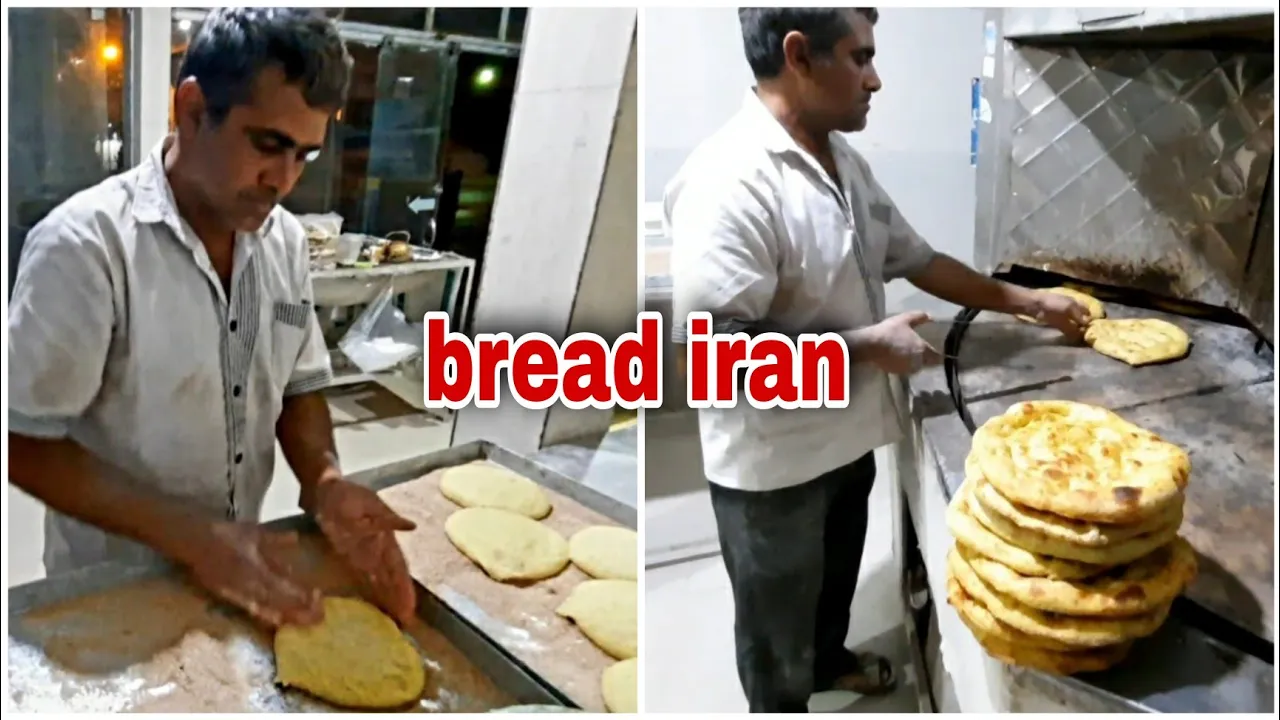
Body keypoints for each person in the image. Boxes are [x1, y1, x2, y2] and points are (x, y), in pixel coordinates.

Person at [665, 8, 1090, 713]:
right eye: (859, 58)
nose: (875, 78)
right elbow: (711, 355)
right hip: (775, 463)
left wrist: (1027, 302)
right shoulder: (732, 181)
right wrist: (867, 346)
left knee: (833, 585)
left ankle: (828, 662)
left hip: (847, 435)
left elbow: (918, 259)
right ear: (800, 56)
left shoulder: (840, 161)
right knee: (775, 630)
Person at [7, 8, 416, 630]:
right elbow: (22, 441)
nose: (284, 180)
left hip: (237, 572)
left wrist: (325, 480)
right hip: (113, 593)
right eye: (268, 145)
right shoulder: (85, 248)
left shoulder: (281, 243)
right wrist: (195, 538)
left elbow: (299, 385)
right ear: (193, 110)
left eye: (304, 155)